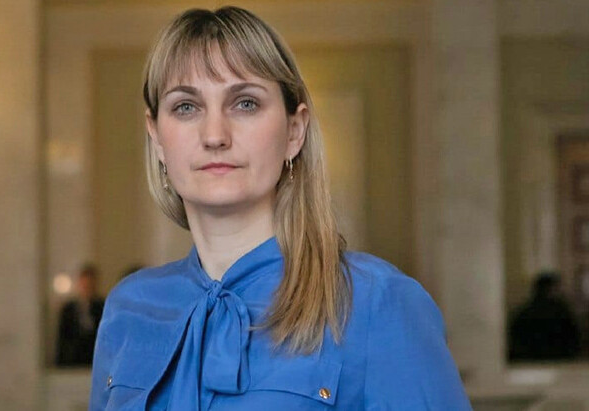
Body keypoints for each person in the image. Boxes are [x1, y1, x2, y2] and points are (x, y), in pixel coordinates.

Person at [90, 6, 470, 410]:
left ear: (294, 130)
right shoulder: (127, 309)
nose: (215, 135)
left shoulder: (377, 303)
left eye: (245, 103)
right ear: (157, 137)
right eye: (186, 107)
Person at [509, 271, 581, 361]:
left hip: (528, 363)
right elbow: (573, 341)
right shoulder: (562, 313)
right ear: (552, 289)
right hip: (559, 362)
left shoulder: (523, 313)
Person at [56, 264, 105, 367]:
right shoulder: (68, 310)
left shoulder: (102, 307)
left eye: (90, 285)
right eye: (85, 285)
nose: (87, 289)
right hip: (73, 360)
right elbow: (63, 339)